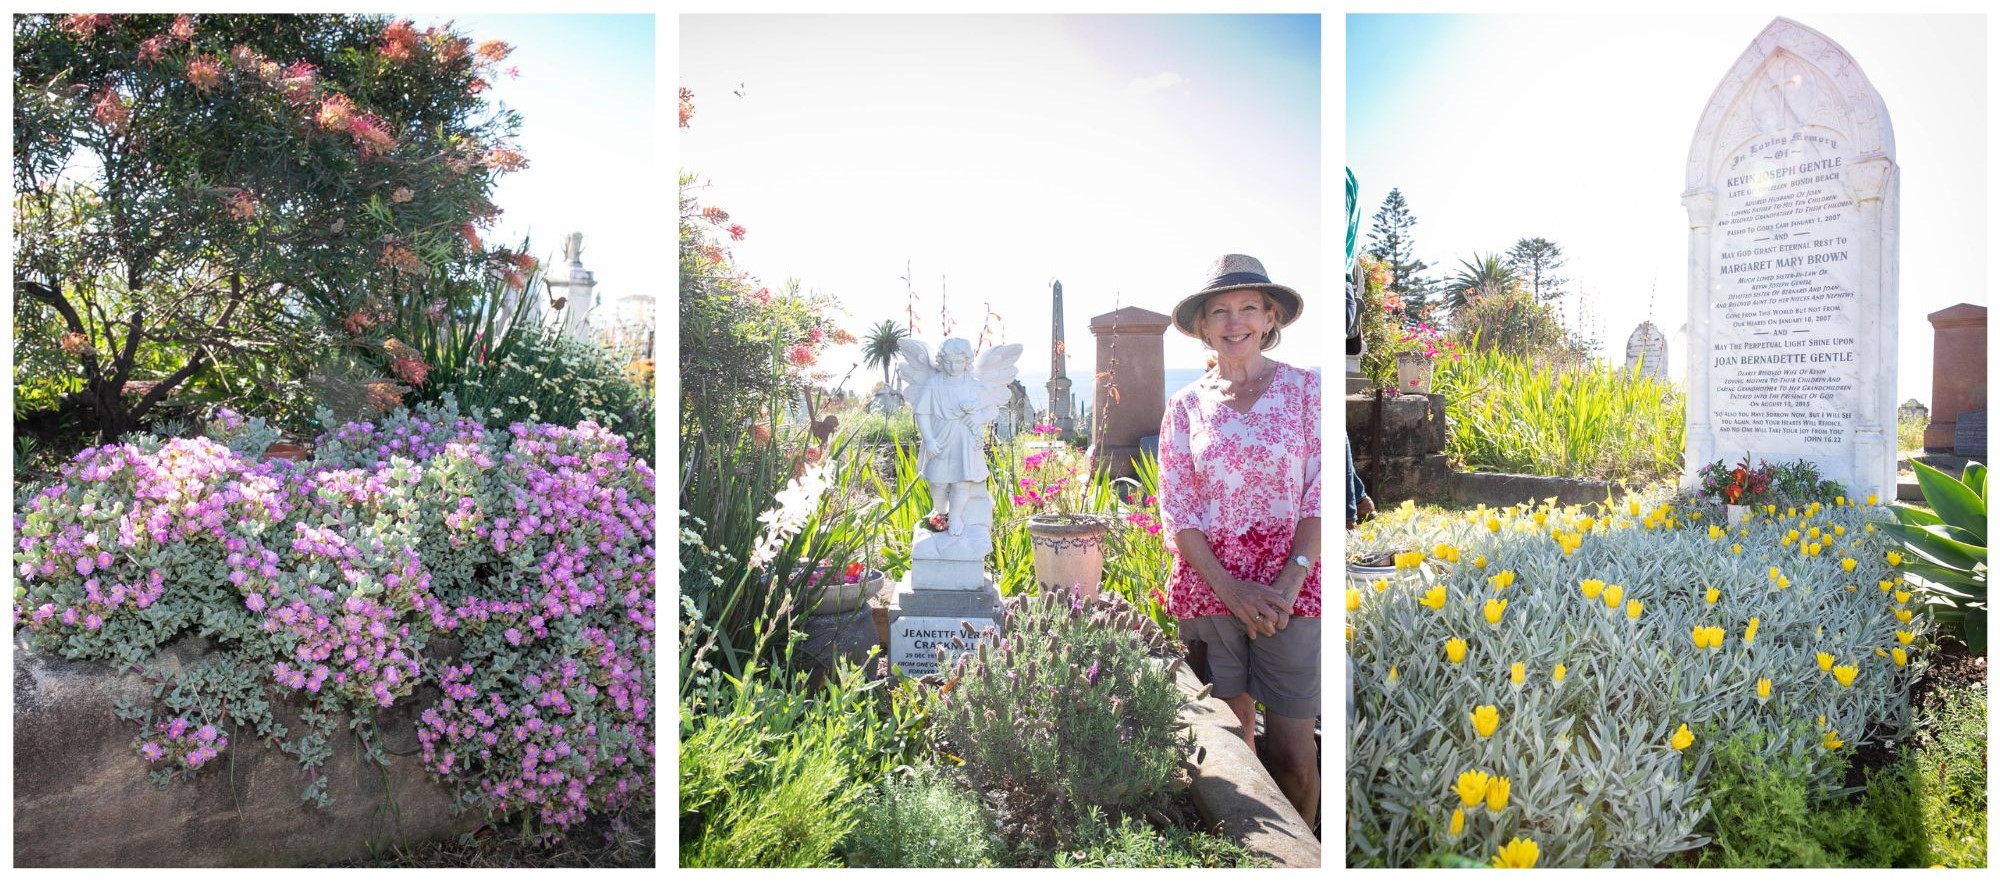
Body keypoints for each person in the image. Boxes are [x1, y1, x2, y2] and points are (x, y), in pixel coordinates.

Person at [1158, 253, 1321, 828]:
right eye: (1220, 310)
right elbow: (1177, 510)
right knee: (1233, 759)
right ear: (1202, 326)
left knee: (1294, 757)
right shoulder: (1184, 408)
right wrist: (1232, 591)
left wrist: (1285, 582)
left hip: (1293, 591)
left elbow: (1320, 495)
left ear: (1271, 316)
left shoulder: (1307, 392)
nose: (1235, 321)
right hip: (1210, 590)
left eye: (1249, 306)